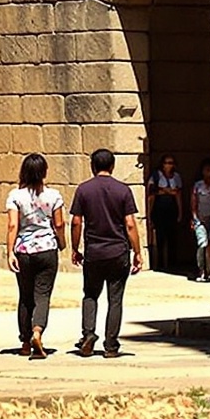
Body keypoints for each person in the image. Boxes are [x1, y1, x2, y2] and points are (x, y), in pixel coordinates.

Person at [69, 148, 144, 357]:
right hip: (118, 252)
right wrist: (137, 252)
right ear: (112, 166)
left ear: (93, 166)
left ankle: (88, 334)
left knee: (90, 295)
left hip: (94, 252)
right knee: (115, 299)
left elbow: (76, 222)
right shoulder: (123, 190)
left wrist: (75, 248)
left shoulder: (83, 190)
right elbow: (130, 224)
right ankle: (111, 345)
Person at [2, 153, 66, 357]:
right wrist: (62, 242)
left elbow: (13, 225)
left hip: (24, 250)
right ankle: (37, 331)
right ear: (44, 172)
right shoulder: (54, 196)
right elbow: (59, 223)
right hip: (47, 249)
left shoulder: (15, 196)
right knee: (43, 295)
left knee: (25, 296)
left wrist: (10, 252)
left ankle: (25, 342)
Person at [147, 155, 186, 275]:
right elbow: (152, 192)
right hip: (159, 209)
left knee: (172, 237)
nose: (169, 165)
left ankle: (172, 264)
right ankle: (159, 264)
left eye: (171, 163)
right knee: (160, 237)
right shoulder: (156, 176)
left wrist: (180, 212)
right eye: (167, 163)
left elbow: (178, 194)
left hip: (172, 209)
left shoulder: (176, 177)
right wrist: (168, 191)